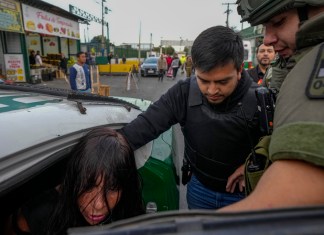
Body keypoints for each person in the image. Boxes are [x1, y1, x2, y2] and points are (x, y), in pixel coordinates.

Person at [119, 26, 262, 209]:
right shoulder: (184, 92)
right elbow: (146, 125)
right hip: (200, 190)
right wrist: (111, 146)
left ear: (240, 69)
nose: (212, 90)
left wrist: (251, 165)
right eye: (203, 80)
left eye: (222, 82)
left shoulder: (260, 99)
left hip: (246, 195)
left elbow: (280, 147)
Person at [219, 0, 324, 212]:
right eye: (265, 27)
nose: (267, 39)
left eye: (278, 22)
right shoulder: (291, 64)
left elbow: (283, 204)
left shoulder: (315, 64)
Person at [8, 127, 145, 234]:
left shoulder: (128, 209)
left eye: (112, 188)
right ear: (74, 178)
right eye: (88, 186)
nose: (98, 204)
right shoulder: (41, 212)